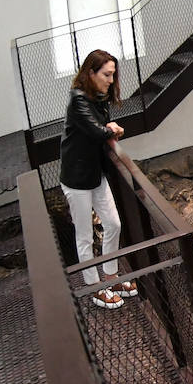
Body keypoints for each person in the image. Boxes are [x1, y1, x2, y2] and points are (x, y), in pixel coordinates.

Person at [60, 49, 133, 310]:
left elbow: (102, 128)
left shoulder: (97, 98)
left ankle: (111, 277)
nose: (111, 80)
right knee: (85, 237)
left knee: (113, 224)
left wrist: (109, 128)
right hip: (77, 179)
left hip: (95, 174)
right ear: (90, 73)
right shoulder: (78, 100)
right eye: (106, 74)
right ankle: (95, 288)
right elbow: (95, 130)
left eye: (112, 75)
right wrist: (111, 129)